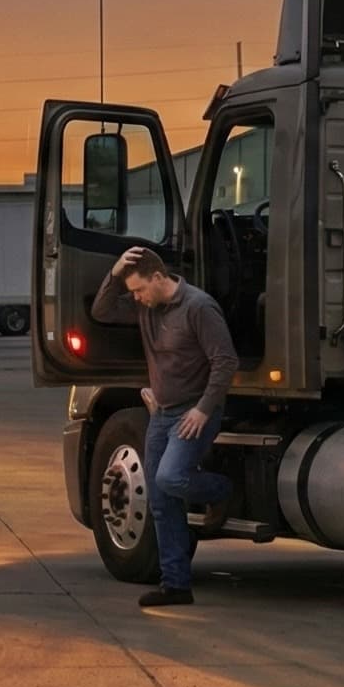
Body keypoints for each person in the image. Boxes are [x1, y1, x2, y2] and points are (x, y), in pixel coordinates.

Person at [92, 245, 238, 607]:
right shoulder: (147, 308)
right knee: (160, 501)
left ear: (159, 278)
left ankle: (222, 490)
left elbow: (225, 361)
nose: (137, 298)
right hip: (161, 413)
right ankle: (176, 585)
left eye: (140, 289)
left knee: (170, 478)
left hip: (193, 414)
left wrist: (204, 410)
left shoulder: (198, 307)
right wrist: (115, 273)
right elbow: (102, 311)